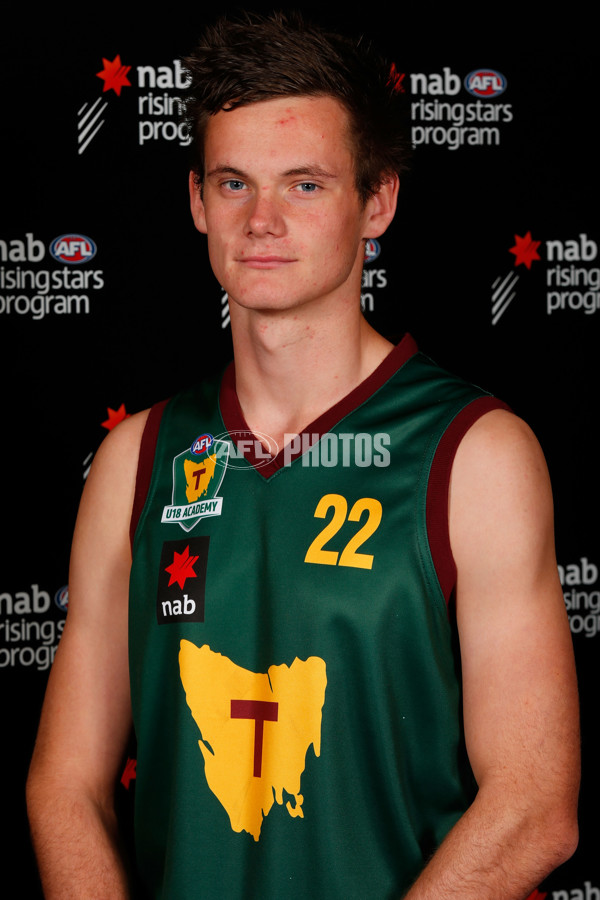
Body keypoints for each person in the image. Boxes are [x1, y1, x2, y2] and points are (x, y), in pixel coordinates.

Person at [26, 11, 580, 899]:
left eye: (307, 185)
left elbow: (535, 806)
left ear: (379, 200)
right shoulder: (138, 459)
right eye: (234, 183)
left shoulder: (474, 453)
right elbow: (65, 784)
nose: (263, 221)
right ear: (198, 201)